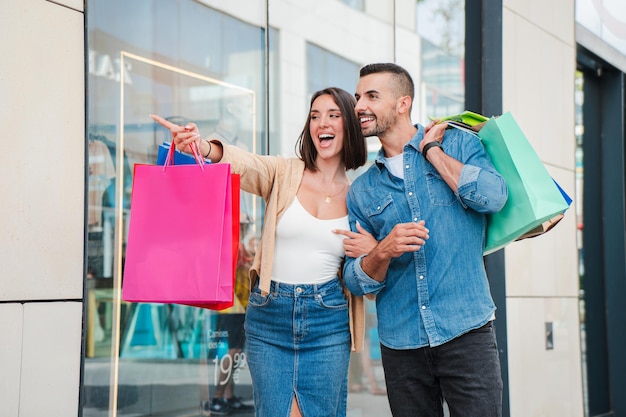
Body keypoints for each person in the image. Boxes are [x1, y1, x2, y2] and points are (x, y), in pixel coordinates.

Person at [150, 86, 376, 417]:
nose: (321, 123)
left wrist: (371, 251)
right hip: (269, 316)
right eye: (314, 116)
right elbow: (245, 163)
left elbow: (367, 278)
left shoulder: (360, 196)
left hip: (327, 320)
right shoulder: (284, 173)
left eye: (332, 115)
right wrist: (203, 146)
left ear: (350, 128)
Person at [340, 63, 508, 417]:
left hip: (467, 331)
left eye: (371, 96)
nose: (358, 107)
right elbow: (356, 280)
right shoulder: (362, 190)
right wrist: (384, 249)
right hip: (402, 345)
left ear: (403, 103)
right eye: (357, 98)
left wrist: (432, 152)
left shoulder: (458, 143)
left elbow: (494, 196)